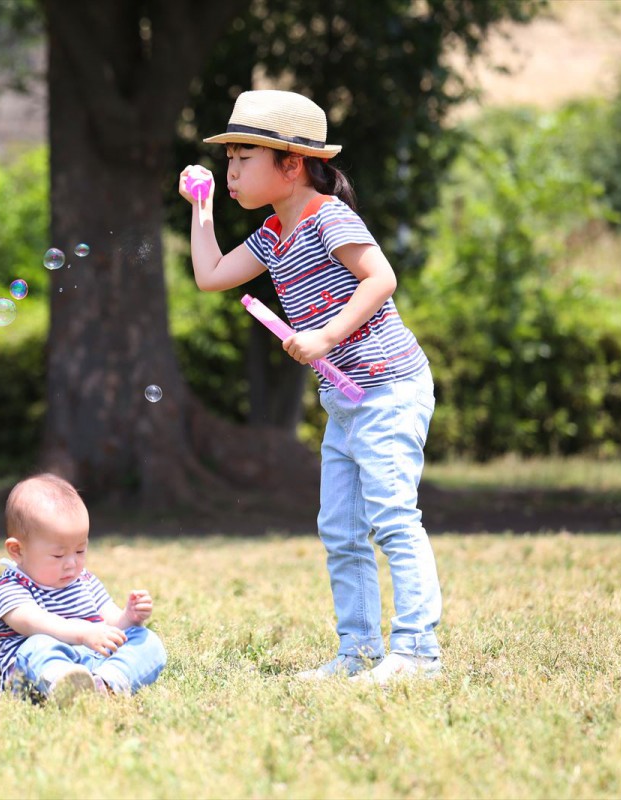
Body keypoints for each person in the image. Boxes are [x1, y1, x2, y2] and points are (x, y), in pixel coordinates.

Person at [179, 90, 442, 684]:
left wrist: (324, 336)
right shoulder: (273, 234)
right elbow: (210, 275)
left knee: (394, 518)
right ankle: (359, 652)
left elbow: (381, 279)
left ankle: (419, 652)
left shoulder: (329, 217)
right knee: (341, 530)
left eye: (243, 159)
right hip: (345, 402)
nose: (232, 172)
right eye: (229, 162)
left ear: (291, 165)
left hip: (389, 387)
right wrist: (201, 208)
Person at [0, 473, 167, 704]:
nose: (72, 563)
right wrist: (84, 633)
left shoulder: (84, 581)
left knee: (146, 640)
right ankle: (62, 684)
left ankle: (104, 685)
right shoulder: (9, 587)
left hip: (92, 661)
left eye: (80, 551)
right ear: (17, 550)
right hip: (33, 675)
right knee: (36, 644)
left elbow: (109, 624)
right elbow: (37, 623)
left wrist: (129, 617)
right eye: (58, 554)